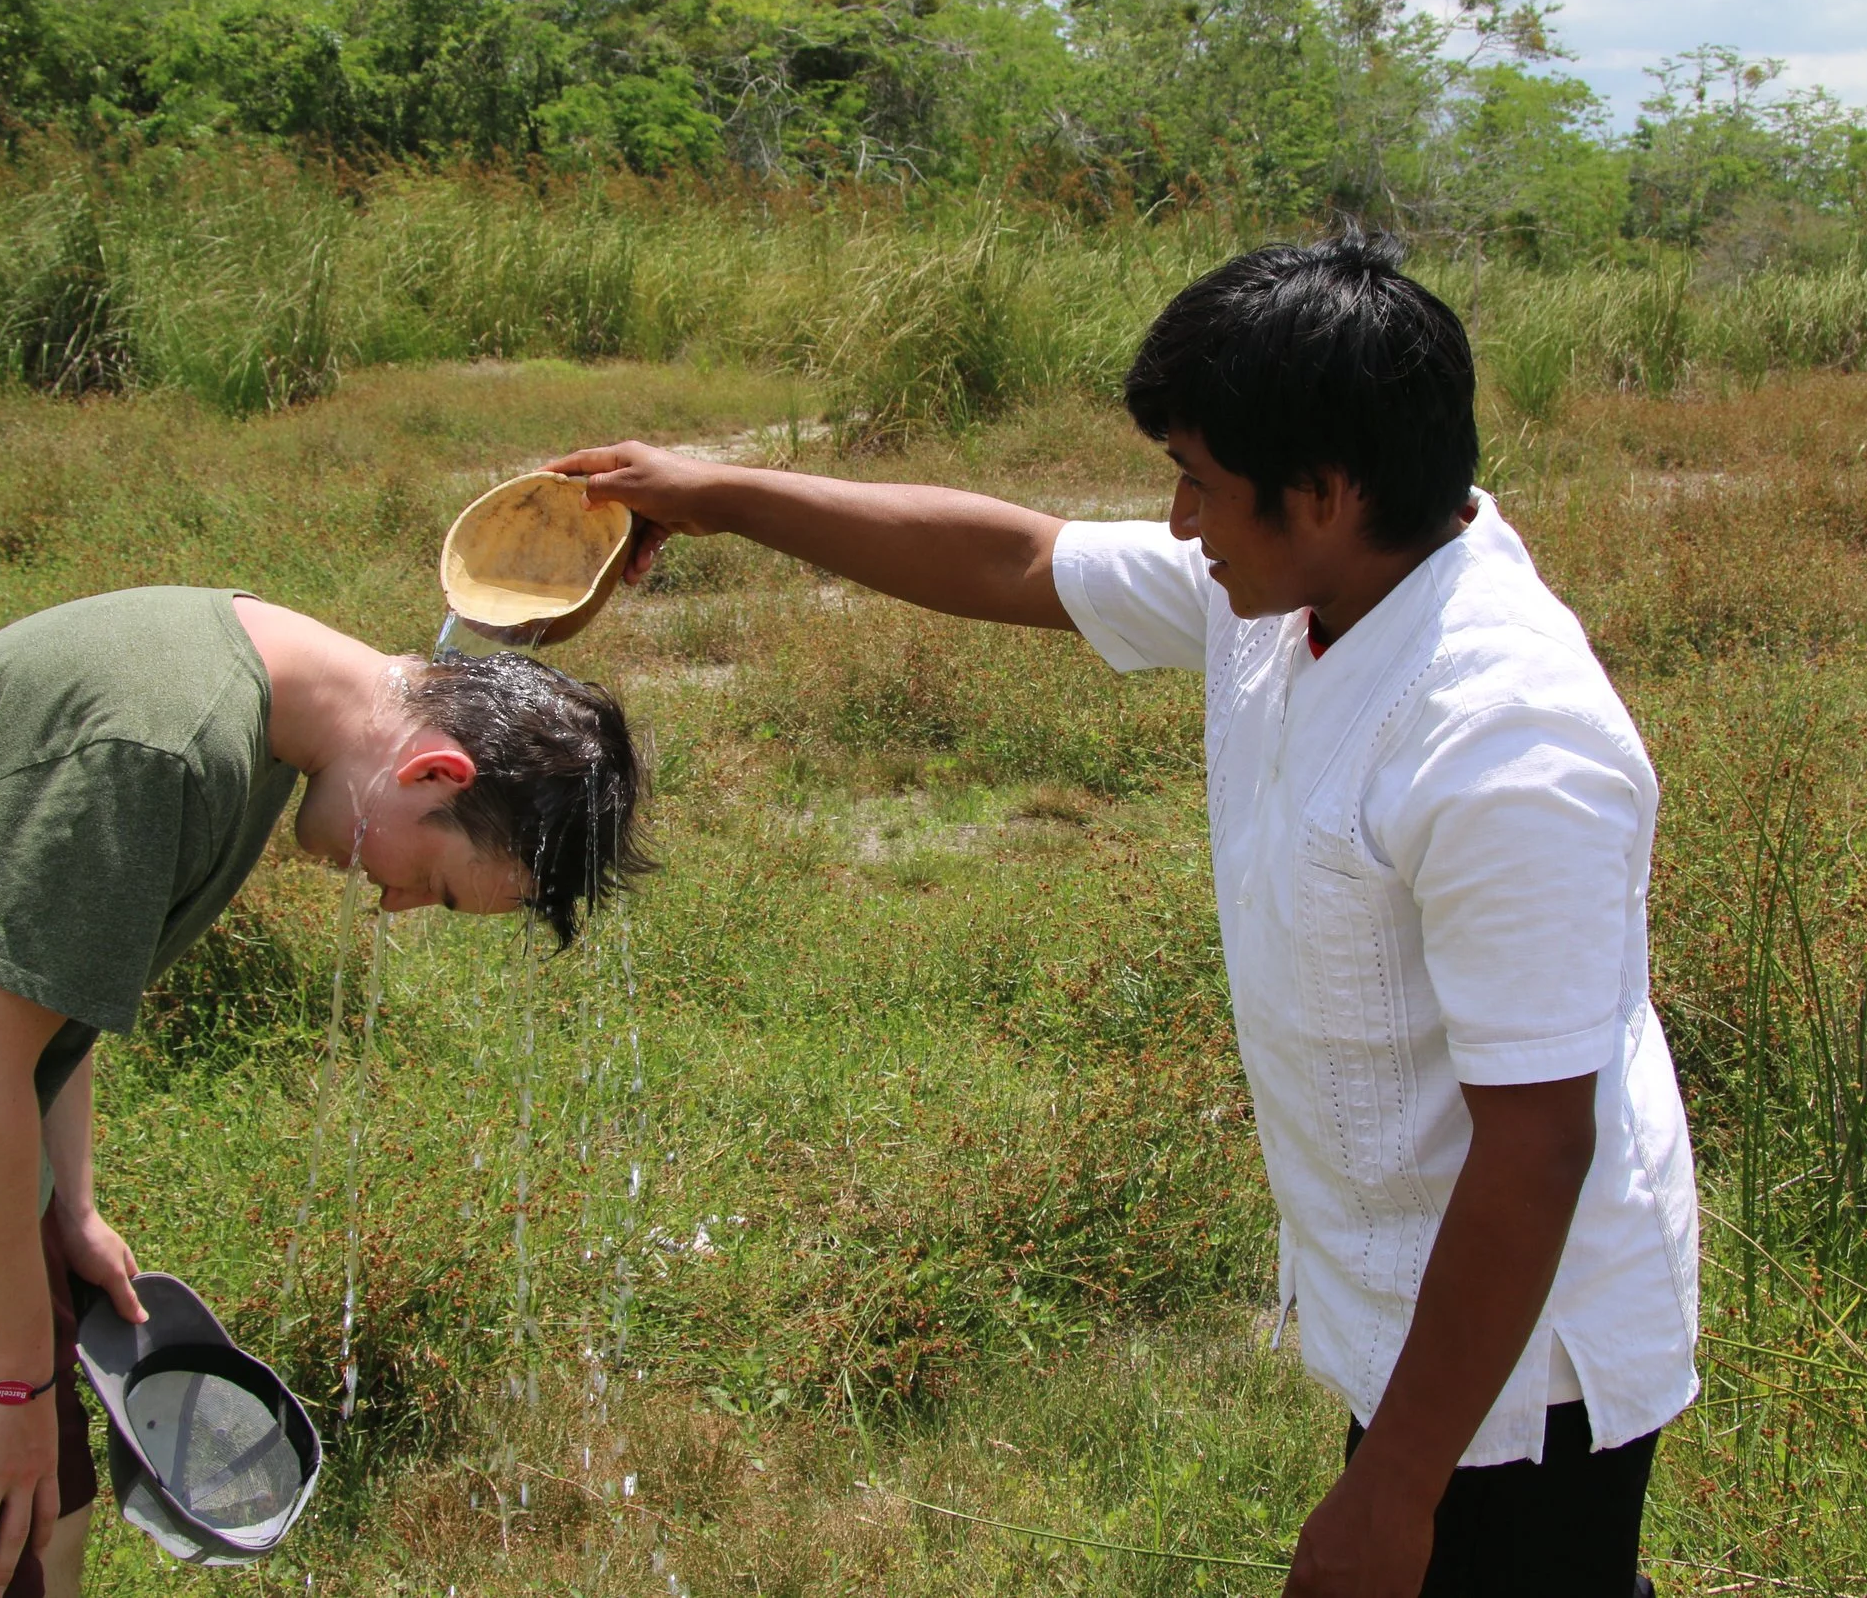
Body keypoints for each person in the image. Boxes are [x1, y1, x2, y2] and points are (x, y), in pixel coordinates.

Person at [549, 234, 1698, 1598]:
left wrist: (1395, 1486)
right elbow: (1018, 558)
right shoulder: (1310, 588)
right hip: (1418, 1315)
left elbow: (1539, 1143)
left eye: (1201, 485)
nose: (1176, 523)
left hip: (1527, 1369)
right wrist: (721, 494)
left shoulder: (1511, 737)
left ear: (1325, 491)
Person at [0, 588, 647, 1598]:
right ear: (435, 770)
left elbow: (48, 987)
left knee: (45, 1530)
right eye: (431, 881)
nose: (393, 904)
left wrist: (71, 1204)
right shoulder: (160, 749)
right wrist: (12, 1381)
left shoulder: (254, 690)